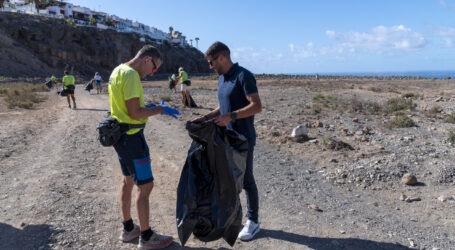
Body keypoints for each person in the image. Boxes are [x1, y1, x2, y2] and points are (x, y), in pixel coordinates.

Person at [191, 41, 262, 241]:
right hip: (225, 139)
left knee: (247, 180)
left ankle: (253, 222)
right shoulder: (222, 78)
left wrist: (232, 116)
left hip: (243, 139)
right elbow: (224, 106)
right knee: (228, 181)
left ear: (222, 57)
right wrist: (206, 117)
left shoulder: (243, 75)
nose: (210, 66)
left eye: (211, 62)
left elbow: (256, 106)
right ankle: (232, 217)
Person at [108, 45, 174, 249]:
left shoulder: (117, 70)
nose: (153, 72)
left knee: (127, 181)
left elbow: (126, 106)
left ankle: (128, 229)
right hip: (133, 138)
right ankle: (146, 237)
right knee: (145, 186)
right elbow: (135, 113)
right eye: (154, 67)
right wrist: (160, 109)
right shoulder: (131, 76)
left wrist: (152, 107)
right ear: (147, 59)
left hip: (120, 137)